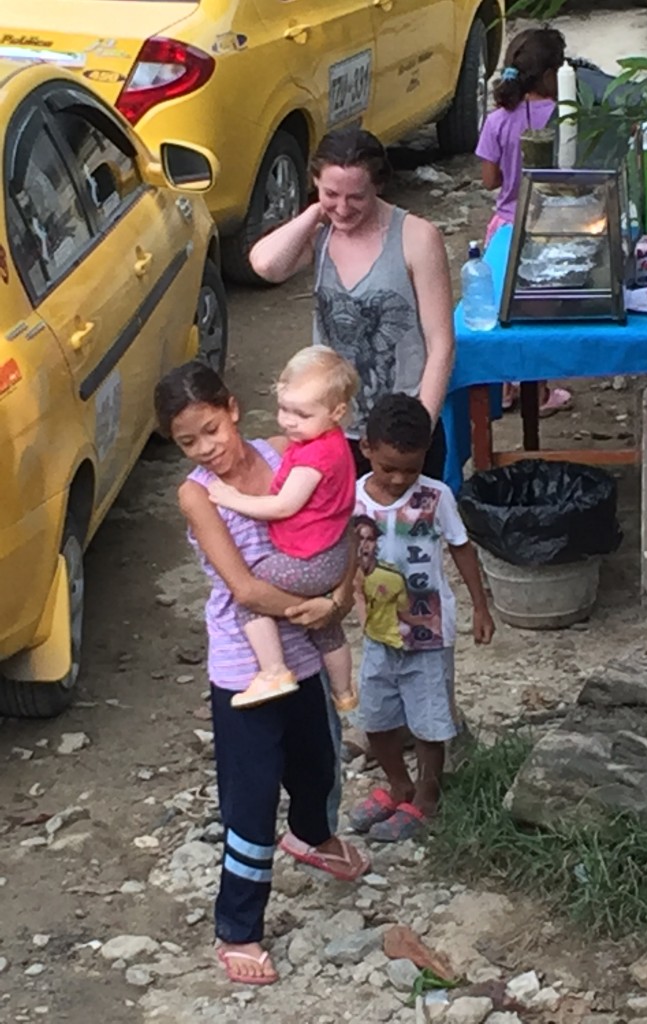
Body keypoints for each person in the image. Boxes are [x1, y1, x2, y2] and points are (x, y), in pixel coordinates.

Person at [154, 361, 369, 986]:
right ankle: (238, 928)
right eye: (188, 442)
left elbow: (341, 524)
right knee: (249, 803)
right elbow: (245, 589)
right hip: (246, 666)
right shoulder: (197, 494)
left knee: (318, 763)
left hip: (305, 650)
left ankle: (311, 837)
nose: (206, 450)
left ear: (233, 409)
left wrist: (344, 587)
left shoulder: (288, 453)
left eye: (211, 430)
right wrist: (322, 607)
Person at [249, 126, 455, 481]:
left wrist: (421, 427)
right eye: (332, 193)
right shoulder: (320, 235)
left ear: (378, 185)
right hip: (331, 428)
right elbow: (267, 266)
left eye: (356, 197)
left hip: (398, 430)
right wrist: (315, 213)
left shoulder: (417, 238)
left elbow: (442, 344)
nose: (342, 209)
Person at [348, 393, 495, 842]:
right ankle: (398, 784)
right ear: (366, 448)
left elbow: (460, 547)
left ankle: (427, 796)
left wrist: (480, 606)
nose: (398, 479)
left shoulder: (437, 497)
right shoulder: (352, 499)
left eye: (410, 468)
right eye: (388, 467)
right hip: (377, 631)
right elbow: (347, 554)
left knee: (430, 720)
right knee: (375, 716)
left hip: (429, 631)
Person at [206, 346, 358, 712]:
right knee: (327, 630)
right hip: (334, 551)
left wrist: (229, 497)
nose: (288, 421)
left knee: (251, 594)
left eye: (301, 414)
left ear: (337, 412)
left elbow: (282, 506)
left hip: (308, 558)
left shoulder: (312, 457)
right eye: (284, 408)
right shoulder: (331, 442)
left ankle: (274, 670)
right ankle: (344, 693)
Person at [475, 27, 573, 417]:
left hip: (504, 228)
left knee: (506, 312)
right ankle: (540, 391)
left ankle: (504, 389)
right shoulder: (565, 116)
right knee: (541, 317)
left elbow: (489, 180)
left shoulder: (498, 120)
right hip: (549, 227)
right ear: (551, 74)